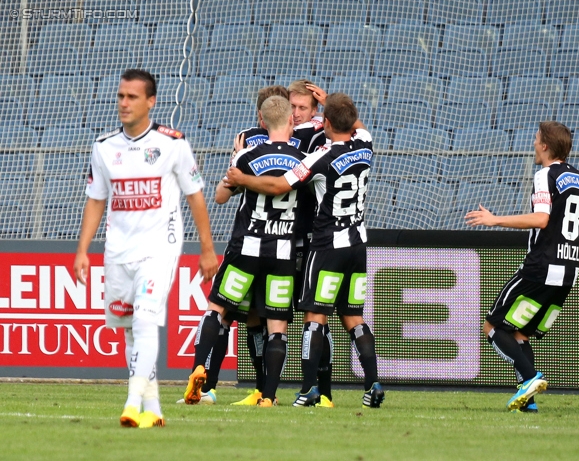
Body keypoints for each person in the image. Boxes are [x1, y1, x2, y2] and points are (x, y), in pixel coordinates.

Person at [73, 69, 219, 428]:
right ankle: (153, 408)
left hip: (160, 248)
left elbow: (195, 196)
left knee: (145, 319)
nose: (124, 103)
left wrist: (206, 248)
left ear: (151, 101)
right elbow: (96, 201)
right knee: (127, 329)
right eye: (121, 96)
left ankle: (132, 400)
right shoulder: (104, 147)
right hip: (117, 251)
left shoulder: (172, 144)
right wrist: (82, 250)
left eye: (132, 97)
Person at [225, 92, 385, 409]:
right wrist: (334, 103)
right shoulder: (365, 145)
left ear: (324, 122)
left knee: (315, 315)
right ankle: (373, 383)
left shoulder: (320, 157)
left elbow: (279, 186)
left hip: (327, 246)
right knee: (353, 315)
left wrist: (243, 177)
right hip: (358, 243)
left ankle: (309, 389)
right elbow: (360, 125)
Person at [465, 121, 579, 412]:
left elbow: (541, 219)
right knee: (520, 334)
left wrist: (495, 220)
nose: (532, 144)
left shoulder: (545, 175)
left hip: (541, 266)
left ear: (545, 146)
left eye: (536, 139)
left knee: (492, 326)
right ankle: (528, 400)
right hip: (569, 271)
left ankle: (530, 378)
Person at [182, 95, 306, 407]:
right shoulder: (304, 160)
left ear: (262, 122)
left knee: (217, 309)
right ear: (291, 121)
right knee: (277, 325)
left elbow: (222, 195)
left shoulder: (248, 155)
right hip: (282, 251)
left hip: (247, 246)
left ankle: (199, 368)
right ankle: (269, 396)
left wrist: (238, 163)